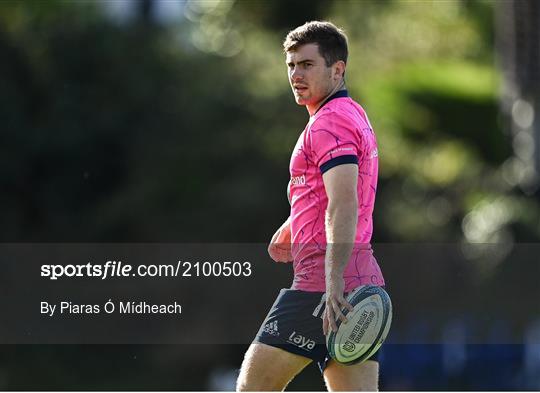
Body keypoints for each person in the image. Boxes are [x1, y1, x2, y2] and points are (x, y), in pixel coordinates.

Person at [237, 21, 386, 391]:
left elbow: (344, 203)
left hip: (323, 287)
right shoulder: (351, 113)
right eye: (291, 65)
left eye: (307, 65)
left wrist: (332, 284)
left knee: (252, 389)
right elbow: (330, 193)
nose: (295, 74)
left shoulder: (329, 123)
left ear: (338, 69)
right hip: (363, 282)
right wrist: (294, 223)